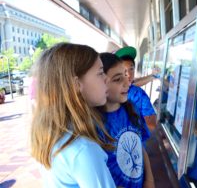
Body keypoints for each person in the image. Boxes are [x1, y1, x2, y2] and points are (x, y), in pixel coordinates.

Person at [30, 43, 116, 188]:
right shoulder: (83, 150)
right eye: (100, 73)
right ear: (76, 85)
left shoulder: (51, 134)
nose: (107, 79)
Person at [99, 53, 154, 188]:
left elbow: (139, 146)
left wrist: (149, 181)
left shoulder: (132, 109)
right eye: (118, 79)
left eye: (126, 74)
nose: (127, 81)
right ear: (101, 84)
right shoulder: (95, 123)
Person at [115, 46, 157, 131]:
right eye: (124, 70)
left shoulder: (140, 94)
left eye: (131, 69)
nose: (129, 74)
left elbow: (151, 125)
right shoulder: (107, 93)